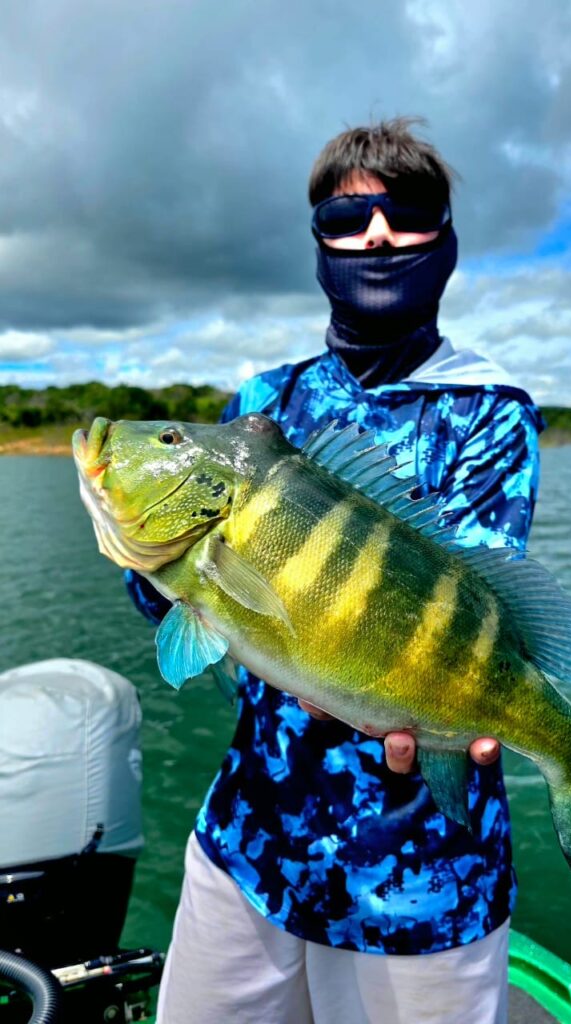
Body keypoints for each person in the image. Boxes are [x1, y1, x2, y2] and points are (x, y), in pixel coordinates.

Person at [126, 117, 543, 1024]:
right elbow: (185, 614)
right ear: (319, 243)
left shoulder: (490, 409)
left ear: (446, 239)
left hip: (424, 873)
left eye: (408, 213)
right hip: (252, 843)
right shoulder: (260, 408)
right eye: (347, 220)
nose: (378, 235)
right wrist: (146, 551)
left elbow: (475, 607)